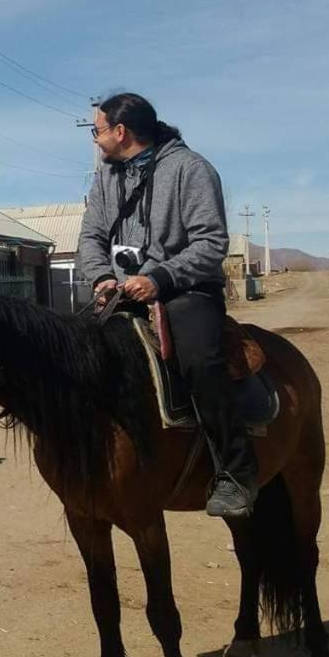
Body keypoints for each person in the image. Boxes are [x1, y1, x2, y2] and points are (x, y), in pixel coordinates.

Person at [78, 91, 257, 518]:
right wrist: (102, 277)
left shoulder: (190, 170)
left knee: (200, 361)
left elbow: (211, 242)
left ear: (121, 132)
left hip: (186, 289)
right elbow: (90, 237)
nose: (95, 140)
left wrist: (159, 278)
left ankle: (235, 472)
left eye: (96, 131)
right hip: (121, 293)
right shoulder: (106, 176)